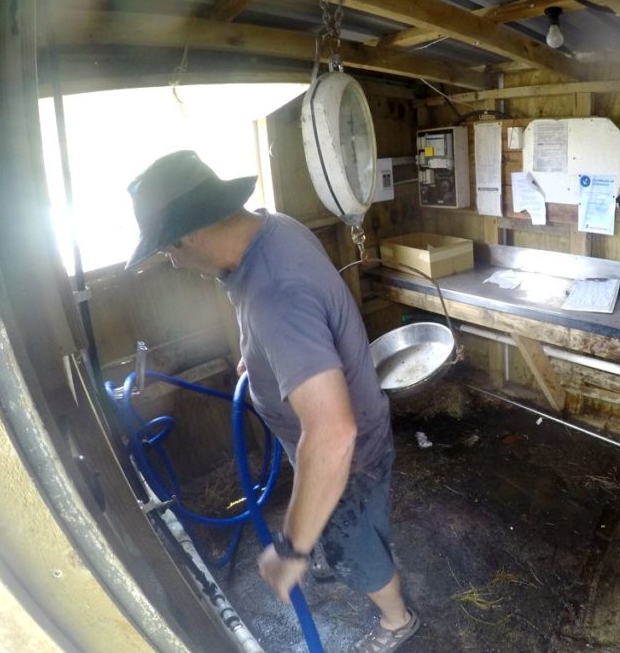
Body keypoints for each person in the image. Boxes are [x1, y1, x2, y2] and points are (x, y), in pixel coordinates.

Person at [125, 150, 419, 652]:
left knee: (352, 545)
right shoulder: (270, 228)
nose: (170, 261)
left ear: (190, 233)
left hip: (348, 457)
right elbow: (292, 331)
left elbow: (331, 434)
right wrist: (261, 360)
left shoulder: (275, 293)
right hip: (351, 433)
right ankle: (358, 550)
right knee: (353, 524)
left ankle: (398, 621)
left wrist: (291, 550)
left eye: (166, 249)